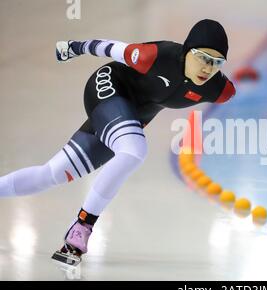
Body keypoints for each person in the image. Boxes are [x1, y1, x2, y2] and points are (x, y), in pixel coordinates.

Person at [0, 19, 235, 265]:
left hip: (130, 115)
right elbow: (111, 48)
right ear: (187, 51)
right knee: (134, 149)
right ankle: (82, 225)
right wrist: (74, 47)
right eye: (203, 57)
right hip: (109, 87)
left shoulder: (219, 90)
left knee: (51, 174)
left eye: (217, 62)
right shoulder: (156, 56)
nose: (208, 68)